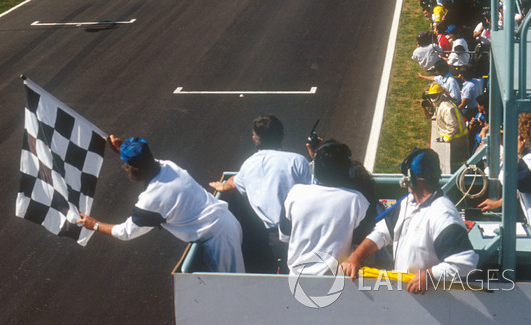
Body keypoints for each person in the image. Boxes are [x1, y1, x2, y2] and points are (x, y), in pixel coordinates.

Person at [78, 136, 244, 273]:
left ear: (133, 170)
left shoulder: (150, 200)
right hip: (228, 222)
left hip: (220, 241)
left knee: (232, 294)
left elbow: (126, 232)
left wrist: (94, 225)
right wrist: (123, 150)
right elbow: (145, 160)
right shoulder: (169, 165)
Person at [340, 149, 478, 294]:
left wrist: (429, 275)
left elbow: (465, 262)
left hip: (431, 299)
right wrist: (356, 257)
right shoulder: (408, 202)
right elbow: (382, 233)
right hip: (405, 294)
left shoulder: (443, 215)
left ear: (411, 179)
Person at [208, 114, 312, 272]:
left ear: (254, 139)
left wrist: (223, 187)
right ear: (282, 137)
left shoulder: (248, 166)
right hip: (303, 233)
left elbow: (233, 183)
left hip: (270, 240)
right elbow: (317, 190)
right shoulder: (298, 161)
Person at [278, 141, 370, 275]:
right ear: (349, 171)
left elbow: (285, 236)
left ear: (314, 169)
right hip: (338, 282)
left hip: (296, 279)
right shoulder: (358, 201)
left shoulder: (294, 193)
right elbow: (360, 246)